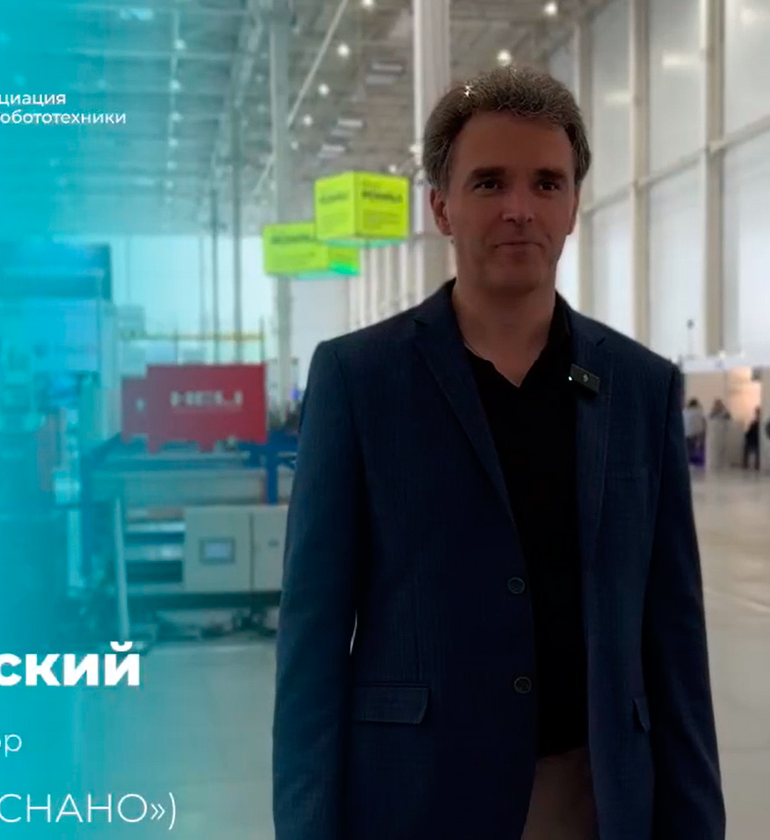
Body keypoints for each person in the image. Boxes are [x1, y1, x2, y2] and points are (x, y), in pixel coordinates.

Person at [273, 65, 724, 840]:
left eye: (547, 183)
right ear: (441, 207)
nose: (521, 209)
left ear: (574, 205)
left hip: (594, 798)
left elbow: (674, 639)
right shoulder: (359, 379)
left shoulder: (640, 387)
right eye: (489, 183)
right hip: (418, 799)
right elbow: (311, 642)